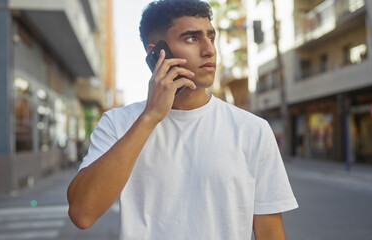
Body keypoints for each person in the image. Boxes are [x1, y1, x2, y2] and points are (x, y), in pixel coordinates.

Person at [67, 0, 298, 239]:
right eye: (192, 38)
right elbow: (82, 213)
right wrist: (150, 117)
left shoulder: (253, 130)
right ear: (157, 52)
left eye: (211, 37)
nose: (209, 50)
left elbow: (270, 232)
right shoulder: (117, 123)